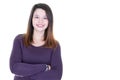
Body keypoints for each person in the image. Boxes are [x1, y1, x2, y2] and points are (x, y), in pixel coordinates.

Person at [9, 3, 63, 80]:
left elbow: (56, 75)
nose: (40, 21)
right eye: (37, 17)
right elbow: (15, 67)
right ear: (32, 19)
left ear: (49, 21)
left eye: (45, 18)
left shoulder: (54, 45)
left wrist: (26, 75)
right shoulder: (19, 40)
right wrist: (45, 67)